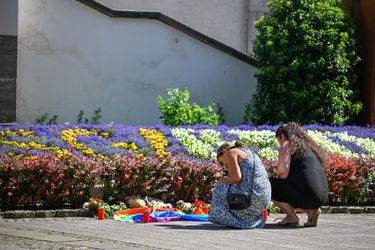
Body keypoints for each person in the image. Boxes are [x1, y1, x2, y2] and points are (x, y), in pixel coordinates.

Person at [270, 122, 329, 227]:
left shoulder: (288, 144)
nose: (280, 143)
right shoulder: (309, 147)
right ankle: (312, 211)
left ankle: (291, 216)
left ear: (282, 136)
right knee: (301, 184)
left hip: (306, 195)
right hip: (322, 196)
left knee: (267, 184)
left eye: (279, 140)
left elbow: (282, 173)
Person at [209, 140, 271, 229]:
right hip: (263, 200)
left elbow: (236, 178)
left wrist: (221, 180)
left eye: (222, 162)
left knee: (219, 187)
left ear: (224, 152)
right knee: (226, 187)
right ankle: (247, 220)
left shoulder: (231, 152)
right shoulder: (249, 152)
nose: (224, 166)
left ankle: (236, 221)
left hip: (252, 198)